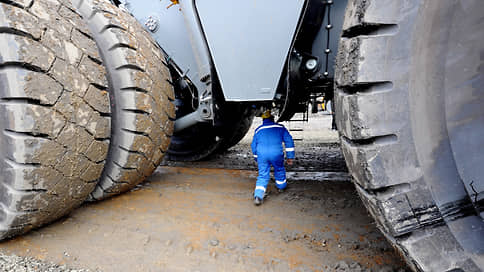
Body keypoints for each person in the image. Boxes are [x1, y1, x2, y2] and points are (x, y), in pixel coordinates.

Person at [251, 110, 295, 206]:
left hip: (262, 155)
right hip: (276, 154)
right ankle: (281, 186)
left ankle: (258, 196)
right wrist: (290, 156)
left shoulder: (258, 130)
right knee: (279, 169)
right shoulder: (280, 128)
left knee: (262, 175)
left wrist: (256, 157)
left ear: (263, 119)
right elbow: (289, 141)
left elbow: (253, 145)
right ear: (272, 118)